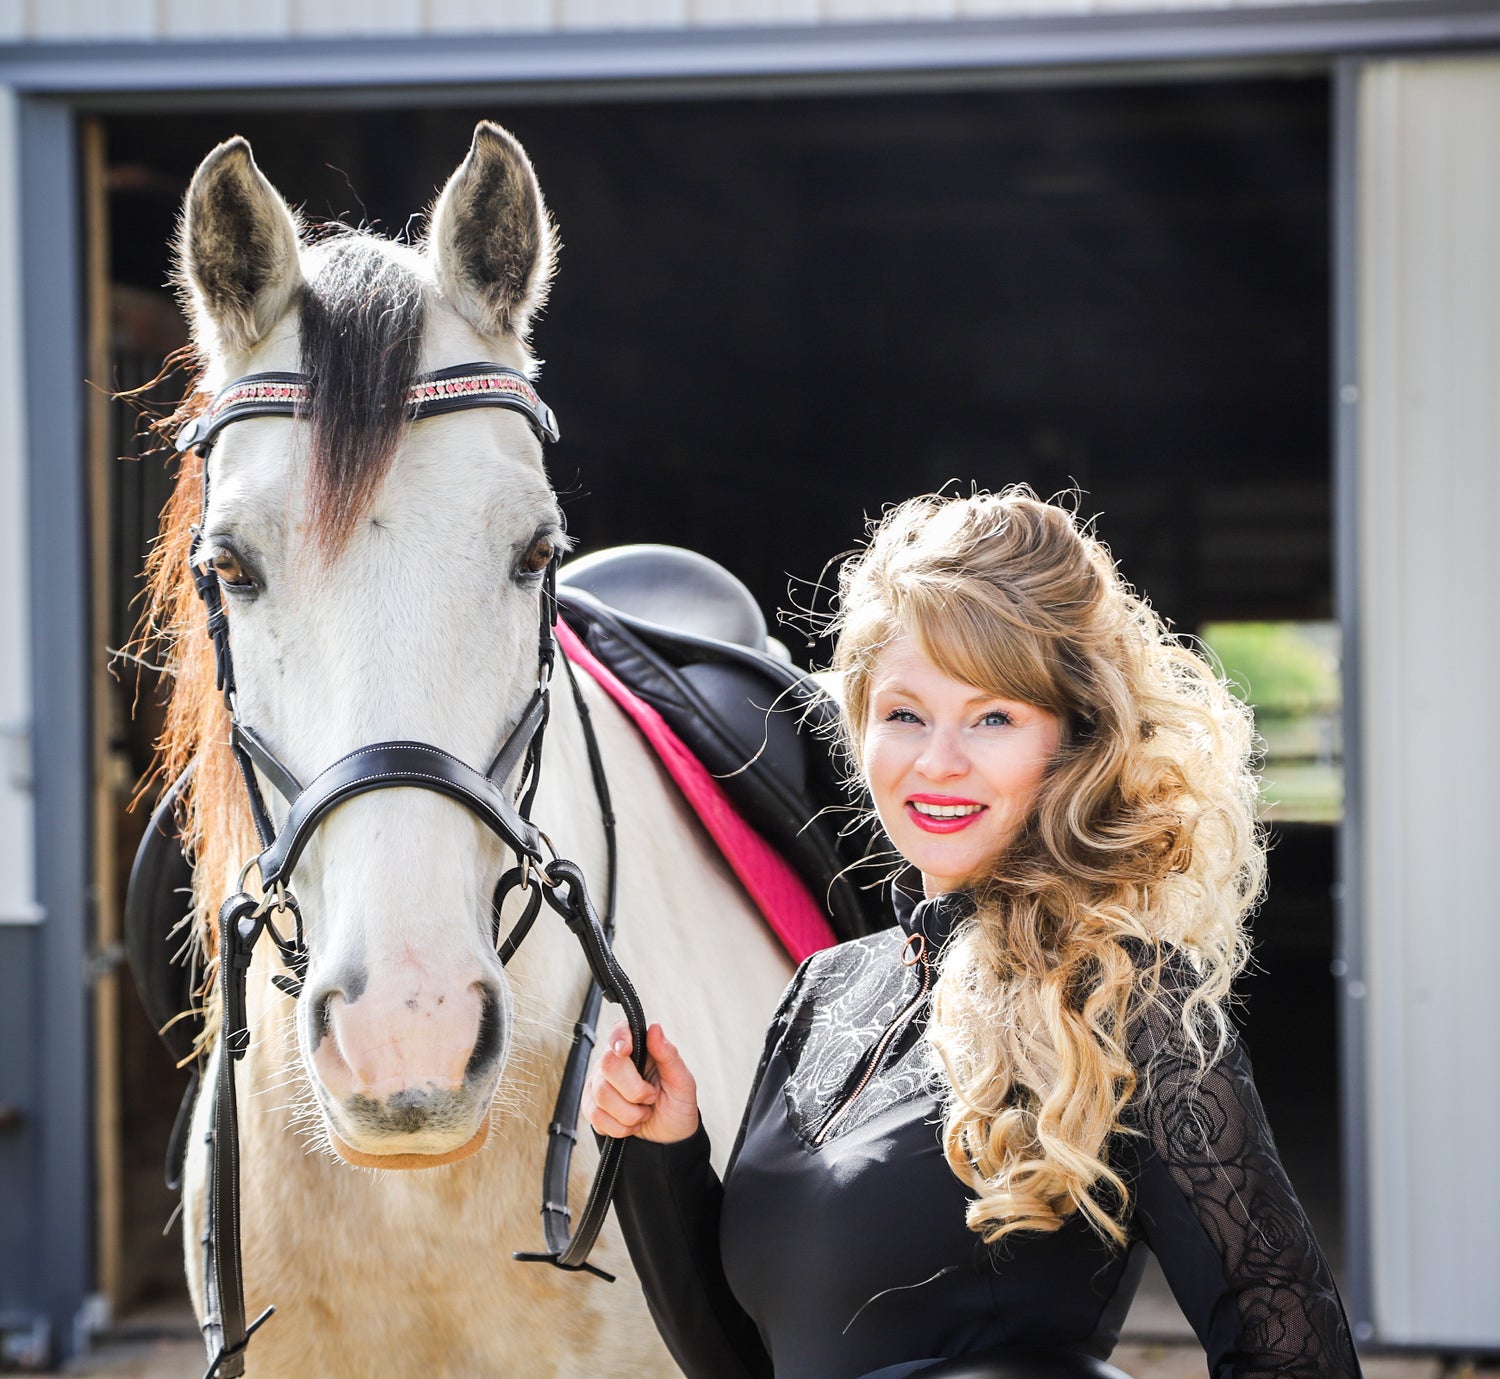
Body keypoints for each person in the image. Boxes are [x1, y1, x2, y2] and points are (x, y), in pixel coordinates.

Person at [586, 489, 1362, 1379]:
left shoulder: (1123, 1000)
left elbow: (1296, 1354)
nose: (938, 759)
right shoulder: (825, 990)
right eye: (905, 712)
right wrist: (665, 1153)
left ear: (1073, 742)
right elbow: (742, 1363)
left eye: (993, 716)